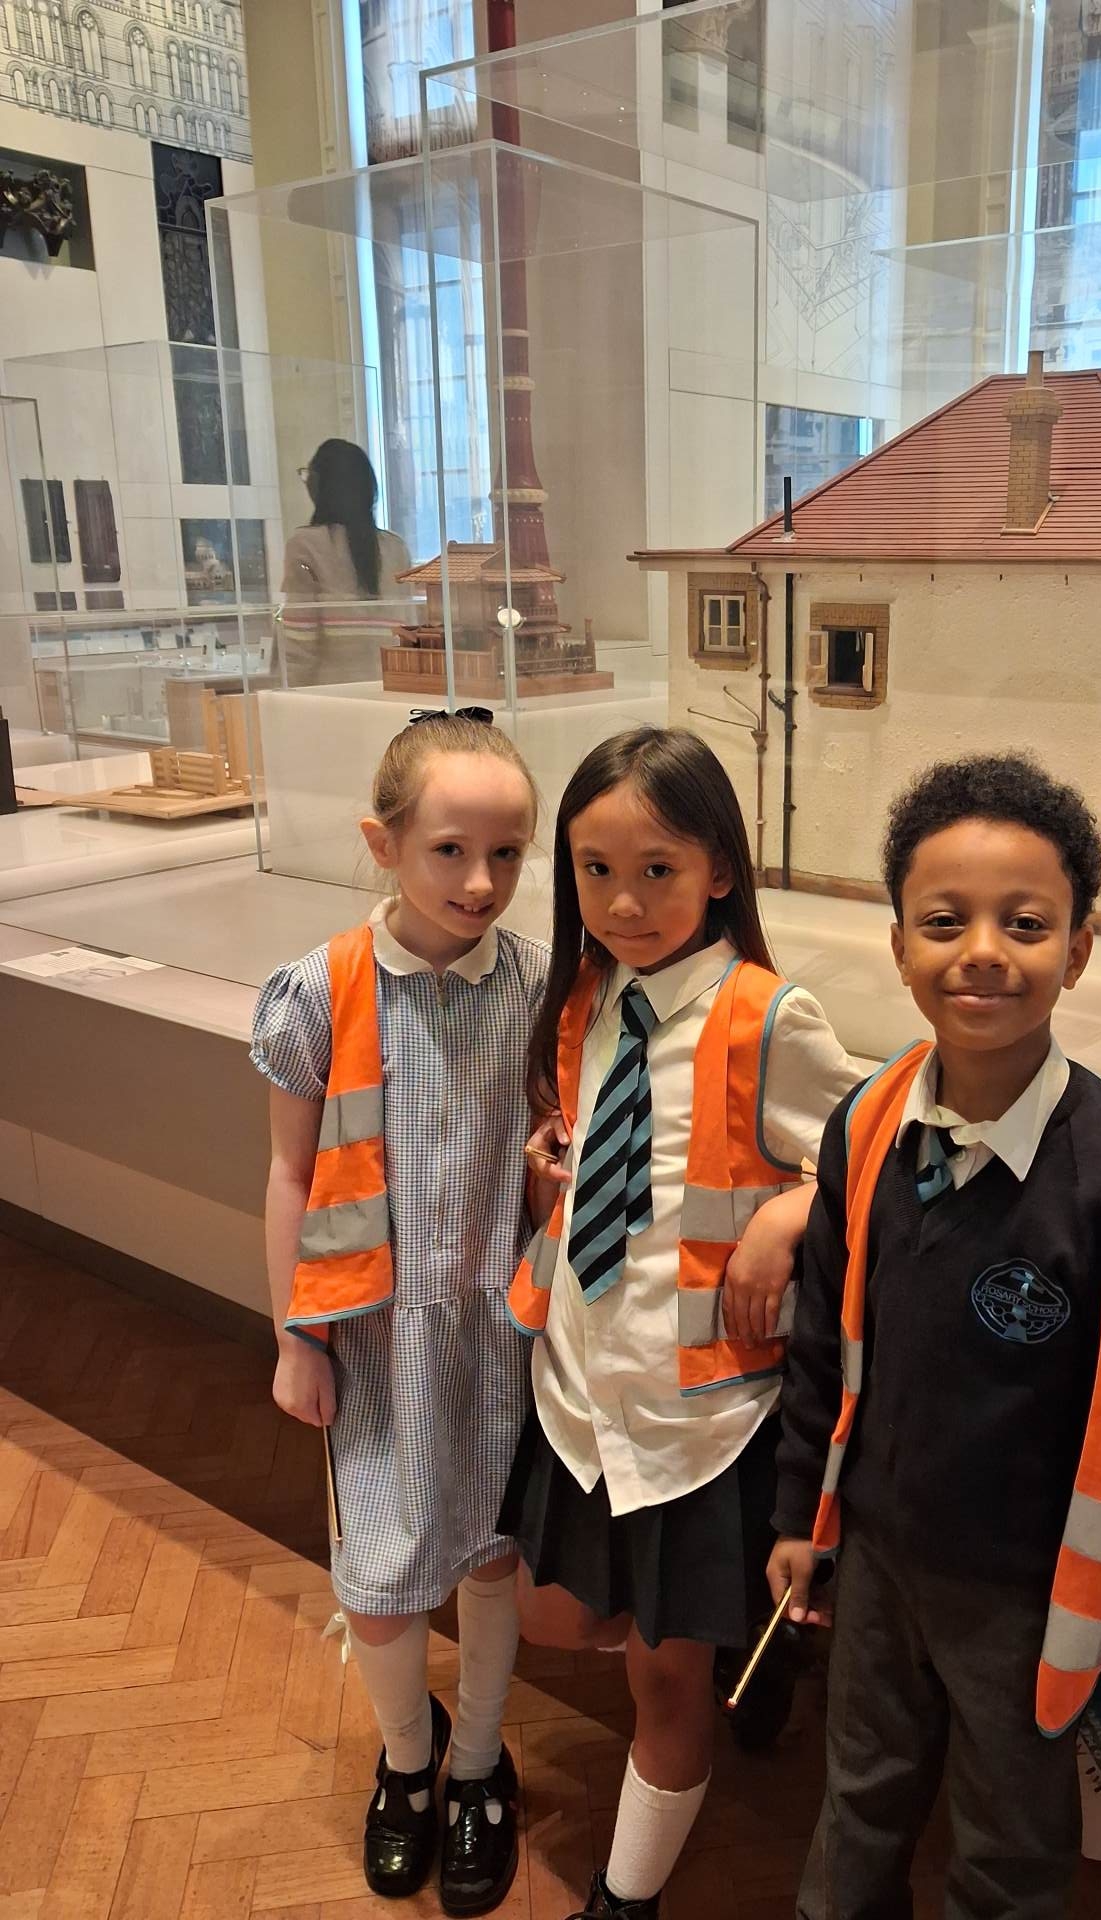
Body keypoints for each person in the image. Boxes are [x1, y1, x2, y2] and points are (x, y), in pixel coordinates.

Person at [769, 753, 1101, 1919]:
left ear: (1077, 950)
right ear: (899, 945)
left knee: (1011, 1839)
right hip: (880, 1556)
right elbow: (823, 1336)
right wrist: (799, 1516)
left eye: (1025, 924)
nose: (983, 951)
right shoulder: (867, 1124)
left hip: (1029, 1591)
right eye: (945, 921)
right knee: (861, 1792)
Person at [501, 726, 858, 1920]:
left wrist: (791, 1212)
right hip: (583, 1388)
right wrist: (556, 1171)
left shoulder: (767, 1017)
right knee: (555, 1611)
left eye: (657, 869)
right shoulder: (587, 999)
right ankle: (751, 1637)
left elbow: (869, 1158)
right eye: (596, 871)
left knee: (665, 1682)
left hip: (700, 1414)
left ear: (719, 870)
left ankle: (628, 1897)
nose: (624, 902)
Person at [252, 709, 546, 1915]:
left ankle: (478, 1760)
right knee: (377, 1575)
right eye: (449, 850)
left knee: (491, 1554)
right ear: (384, 844)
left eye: (507, 853)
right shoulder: (323, 988)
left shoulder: (537, 984)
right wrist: (293, 1336)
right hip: (373, 1331)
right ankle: (408, 1762)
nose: (480, 882)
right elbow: (289, 1173)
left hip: (502, 1331)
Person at [280, 438, 414, 686]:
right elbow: (409, 633)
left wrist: (281, 695)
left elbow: (299, 645)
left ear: (320, 486)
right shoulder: (396, 548)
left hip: (329, 694)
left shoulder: (305, 545)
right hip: (391, 689)